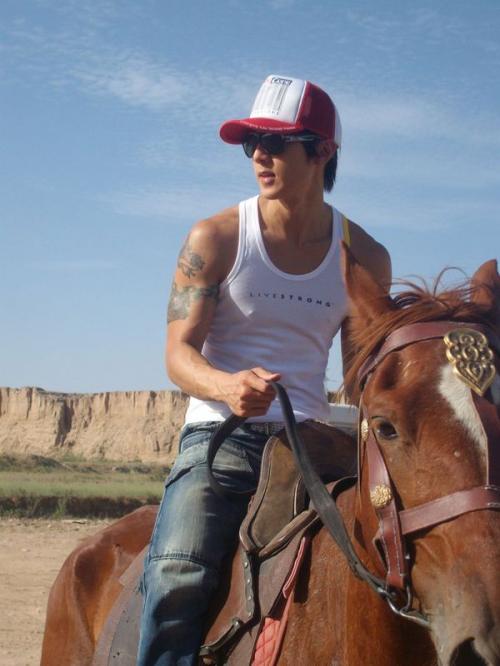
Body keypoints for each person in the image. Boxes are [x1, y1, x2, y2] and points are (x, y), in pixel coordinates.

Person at [137, 74, 391, 666]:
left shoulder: (366, 257)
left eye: (275, 143)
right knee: (176, 575)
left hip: (316, 447)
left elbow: (361, 379)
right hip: (220, 437)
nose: (258, 155)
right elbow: (178, 354)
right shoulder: (216, 238)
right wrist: (227, 386)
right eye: (252, 142)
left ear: (322, 151)